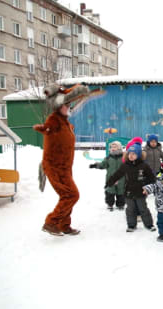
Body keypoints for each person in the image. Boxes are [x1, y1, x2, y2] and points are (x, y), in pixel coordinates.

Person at [34, 83, 89, 236]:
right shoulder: (54, 120)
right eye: (66, 105)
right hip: (54, 167)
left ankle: (64, 225)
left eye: (69, 105)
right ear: (58, 107)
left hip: (65, 167)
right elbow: (48, 128)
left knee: (67, 196)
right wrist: (45, 129)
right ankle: (51, 222)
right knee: (71, 195)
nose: (68, 107)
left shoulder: (65, 122)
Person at [106, 140, 156, 232]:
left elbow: (152, 178)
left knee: (143, 209)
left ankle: (149, 224)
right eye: (129, 153)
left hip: (141, 191)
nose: (131, 156)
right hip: (128, 191)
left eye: (134, 154)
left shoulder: (144, 166)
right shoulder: (125, 165)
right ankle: (131, 225)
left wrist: (147, 187)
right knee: (130, 210)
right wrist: (110, 182)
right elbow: (117, 174)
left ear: (138, 155)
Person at [89, 141, 125, 211]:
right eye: (112, 147)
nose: (113, 148)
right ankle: (110, 204)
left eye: (115, 147)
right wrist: (96, 165)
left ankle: (121, 204)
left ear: (119, 148)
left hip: (122, 179)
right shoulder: (108, 158)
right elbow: (103, 165)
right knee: (110, 191)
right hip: (110, 178)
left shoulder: (123, 157)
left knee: (121, 192)